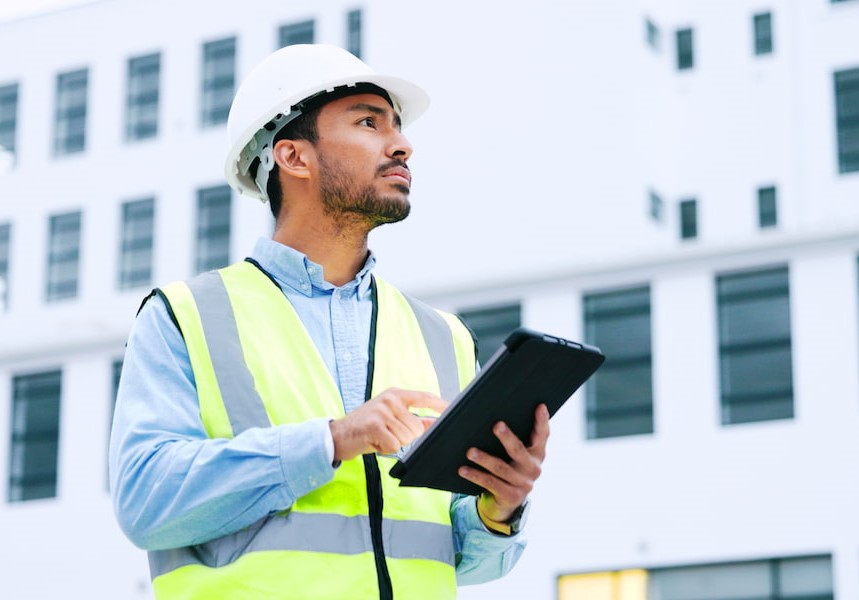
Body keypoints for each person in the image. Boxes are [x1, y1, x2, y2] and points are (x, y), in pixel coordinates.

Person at [109, 44, 549, 600]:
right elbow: (146, 502)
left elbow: (457, 557)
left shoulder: (446, 337)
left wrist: (498, 509)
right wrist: (332, 440)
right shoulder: (186, 316)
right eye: (369, 122)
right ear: (294, 157)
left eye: (397, 127)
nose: (403, 145)